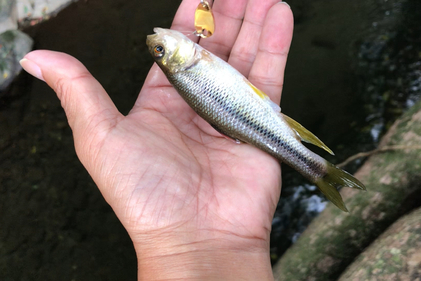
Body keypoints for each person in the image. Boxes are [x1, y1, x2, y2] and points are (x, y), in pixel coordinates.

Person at [20, 0, 293, 279]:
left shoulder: (194, 58)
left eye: (159, 50)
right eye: (160, 51)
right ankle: (317, 168)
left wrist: (200, 248)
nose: (157, 44)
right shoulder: (193, 59)